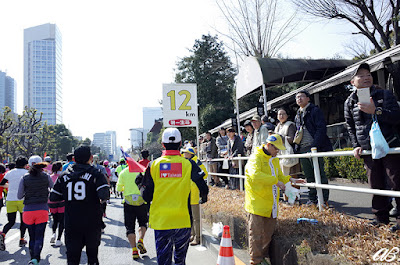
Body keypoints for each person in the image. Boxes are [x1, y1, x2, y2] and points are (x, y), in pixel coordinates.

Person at [136, 128, 208, 265]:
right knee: (180, 261)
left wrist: (140, 184)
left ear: (163, 145)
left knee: (164, 261)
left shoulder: (153, 165)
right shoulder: (189, 164)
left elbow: (146, 197)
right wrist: (203, 197)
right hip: (183, 220)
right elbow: (203, 186)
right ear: (180, 143)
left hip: (161, 221)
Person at [344, 63, 400, 231]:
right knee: (375, 185)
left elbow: (397, 117)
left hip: (390, 144)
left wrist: (376, 111)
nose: (366, 77)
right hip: (368, 149)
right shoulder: (349, 102)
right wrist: (355, 145)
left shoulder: (384, 94)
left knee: (396, 182)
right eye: (360, 75)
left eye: (368, 74)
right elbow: (350, 127)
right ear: (352, 82)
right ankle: (380, 217)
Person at [245, 134, 306, 265]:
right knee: (255, 234)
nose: (277, 151)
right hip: (256, 202)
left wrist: (291, 179)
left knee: (268, 234)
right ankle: (255, 261)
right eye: (276, 148)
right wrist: (276, 181)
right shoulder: (256, 157)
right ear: (268, 145)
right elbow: (255, 175)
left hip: (271, 202)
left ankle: (262, 258)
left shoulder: (275, 160)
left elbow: (279, 176)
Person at [49, 145, 110, 265]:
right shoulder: (96, 174)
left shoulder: (63, 176)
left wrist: (68, 196)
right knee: (92, 257)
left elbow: (53, 197)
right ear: (91, 158)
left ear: (74, 159)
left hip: (72, 222)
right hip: (92, 222)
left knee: (72, 259)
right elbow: (104, 195)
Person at [294, 90, 332, 206]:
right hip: (302, 148)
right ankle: (313, 199)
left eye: (301, 96)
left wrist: (315, 145)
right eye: (297, 97)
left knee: (319, 173)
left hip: (314, 147)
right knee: (309, 175)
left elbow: (321, 128)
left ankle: (324, 200)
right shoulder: (297, 114)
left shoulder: (314, 110)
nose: (299, 99)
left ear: (308, 98)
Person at [18, 155, 54, 265]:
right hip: (42, 210)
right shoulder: (46, 176)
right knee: (39, 236)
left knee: (32, 236)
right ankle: (35, 259)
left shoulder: (24, 177)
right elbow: (53, 189)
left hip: (28, 210)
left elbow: (19, 196)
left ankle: (33, 258)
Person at [116, 160, 148, 259]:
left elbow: (118, 189)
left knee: (130, 227)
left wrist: (125, 188)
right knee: (143, 223)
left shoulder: (123, 172)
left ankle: (134, 251)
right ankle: (141, 240)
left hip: (128, 202)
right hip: (141, 201)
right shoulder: (143, 171)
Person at [0, 156, 29, 251]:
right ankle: (21, 239)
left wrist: (10, 186)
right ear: (25, 164)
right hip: (22, 199)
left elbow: (2, 183)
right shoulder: (26, 173)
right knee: (23, 221)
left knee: (11, 221)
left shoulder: (10, 172)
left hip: (10, 199)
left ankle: (3, 234)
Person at [181, 146, 208, 246]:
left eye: (185, 153)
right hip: (188, 192)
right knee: (190, 216)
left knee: (196, 217)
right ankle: (192, 235)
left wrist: (195, 180)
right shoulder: (187, 162)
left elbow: (205, 173)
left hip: (195, 192)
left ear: (190, 154)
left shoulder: (196, 161)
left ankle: (198, 238)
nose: (184, 155)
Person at [274, 108, 300, 176]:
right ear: (277, 116)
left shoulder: (290, 125)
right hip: (280, 154)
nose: (281, 116)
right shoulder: (277, 127)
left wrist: (280, 138)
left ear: (287, 116)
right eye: (280, 114)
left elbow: (292, 139)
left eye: (283, 114)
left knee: (292, 176)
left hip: (289, 153)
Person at [48, 161, 65, 246]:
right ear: (61, 168)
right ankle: (59, 239)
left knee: (55, 219)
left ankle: (53, 233)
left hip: (52, 201)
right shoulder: (63, 177)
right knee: (62, 221)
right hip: (62, 201)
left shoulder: (50, 177)